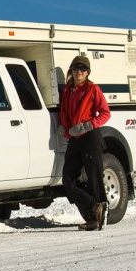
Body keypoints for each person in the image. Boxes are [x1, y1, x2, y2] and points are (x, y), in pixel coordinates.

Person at [58, 56, 111, 231]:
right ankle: (94, 208)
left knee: (94, 176)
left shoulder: (92, 89)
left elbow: (105, 113)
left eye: (82, 69)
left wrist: (88, 125)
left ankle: (96, 218)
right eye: (75, 68)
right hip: (75, 138)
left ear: (87, 72)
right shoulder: (67, 91)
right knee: (68, 179)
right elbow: (64, 114)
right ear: (71, 71)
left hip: (89, 136)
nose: (78, 72)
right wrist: (66, 130)